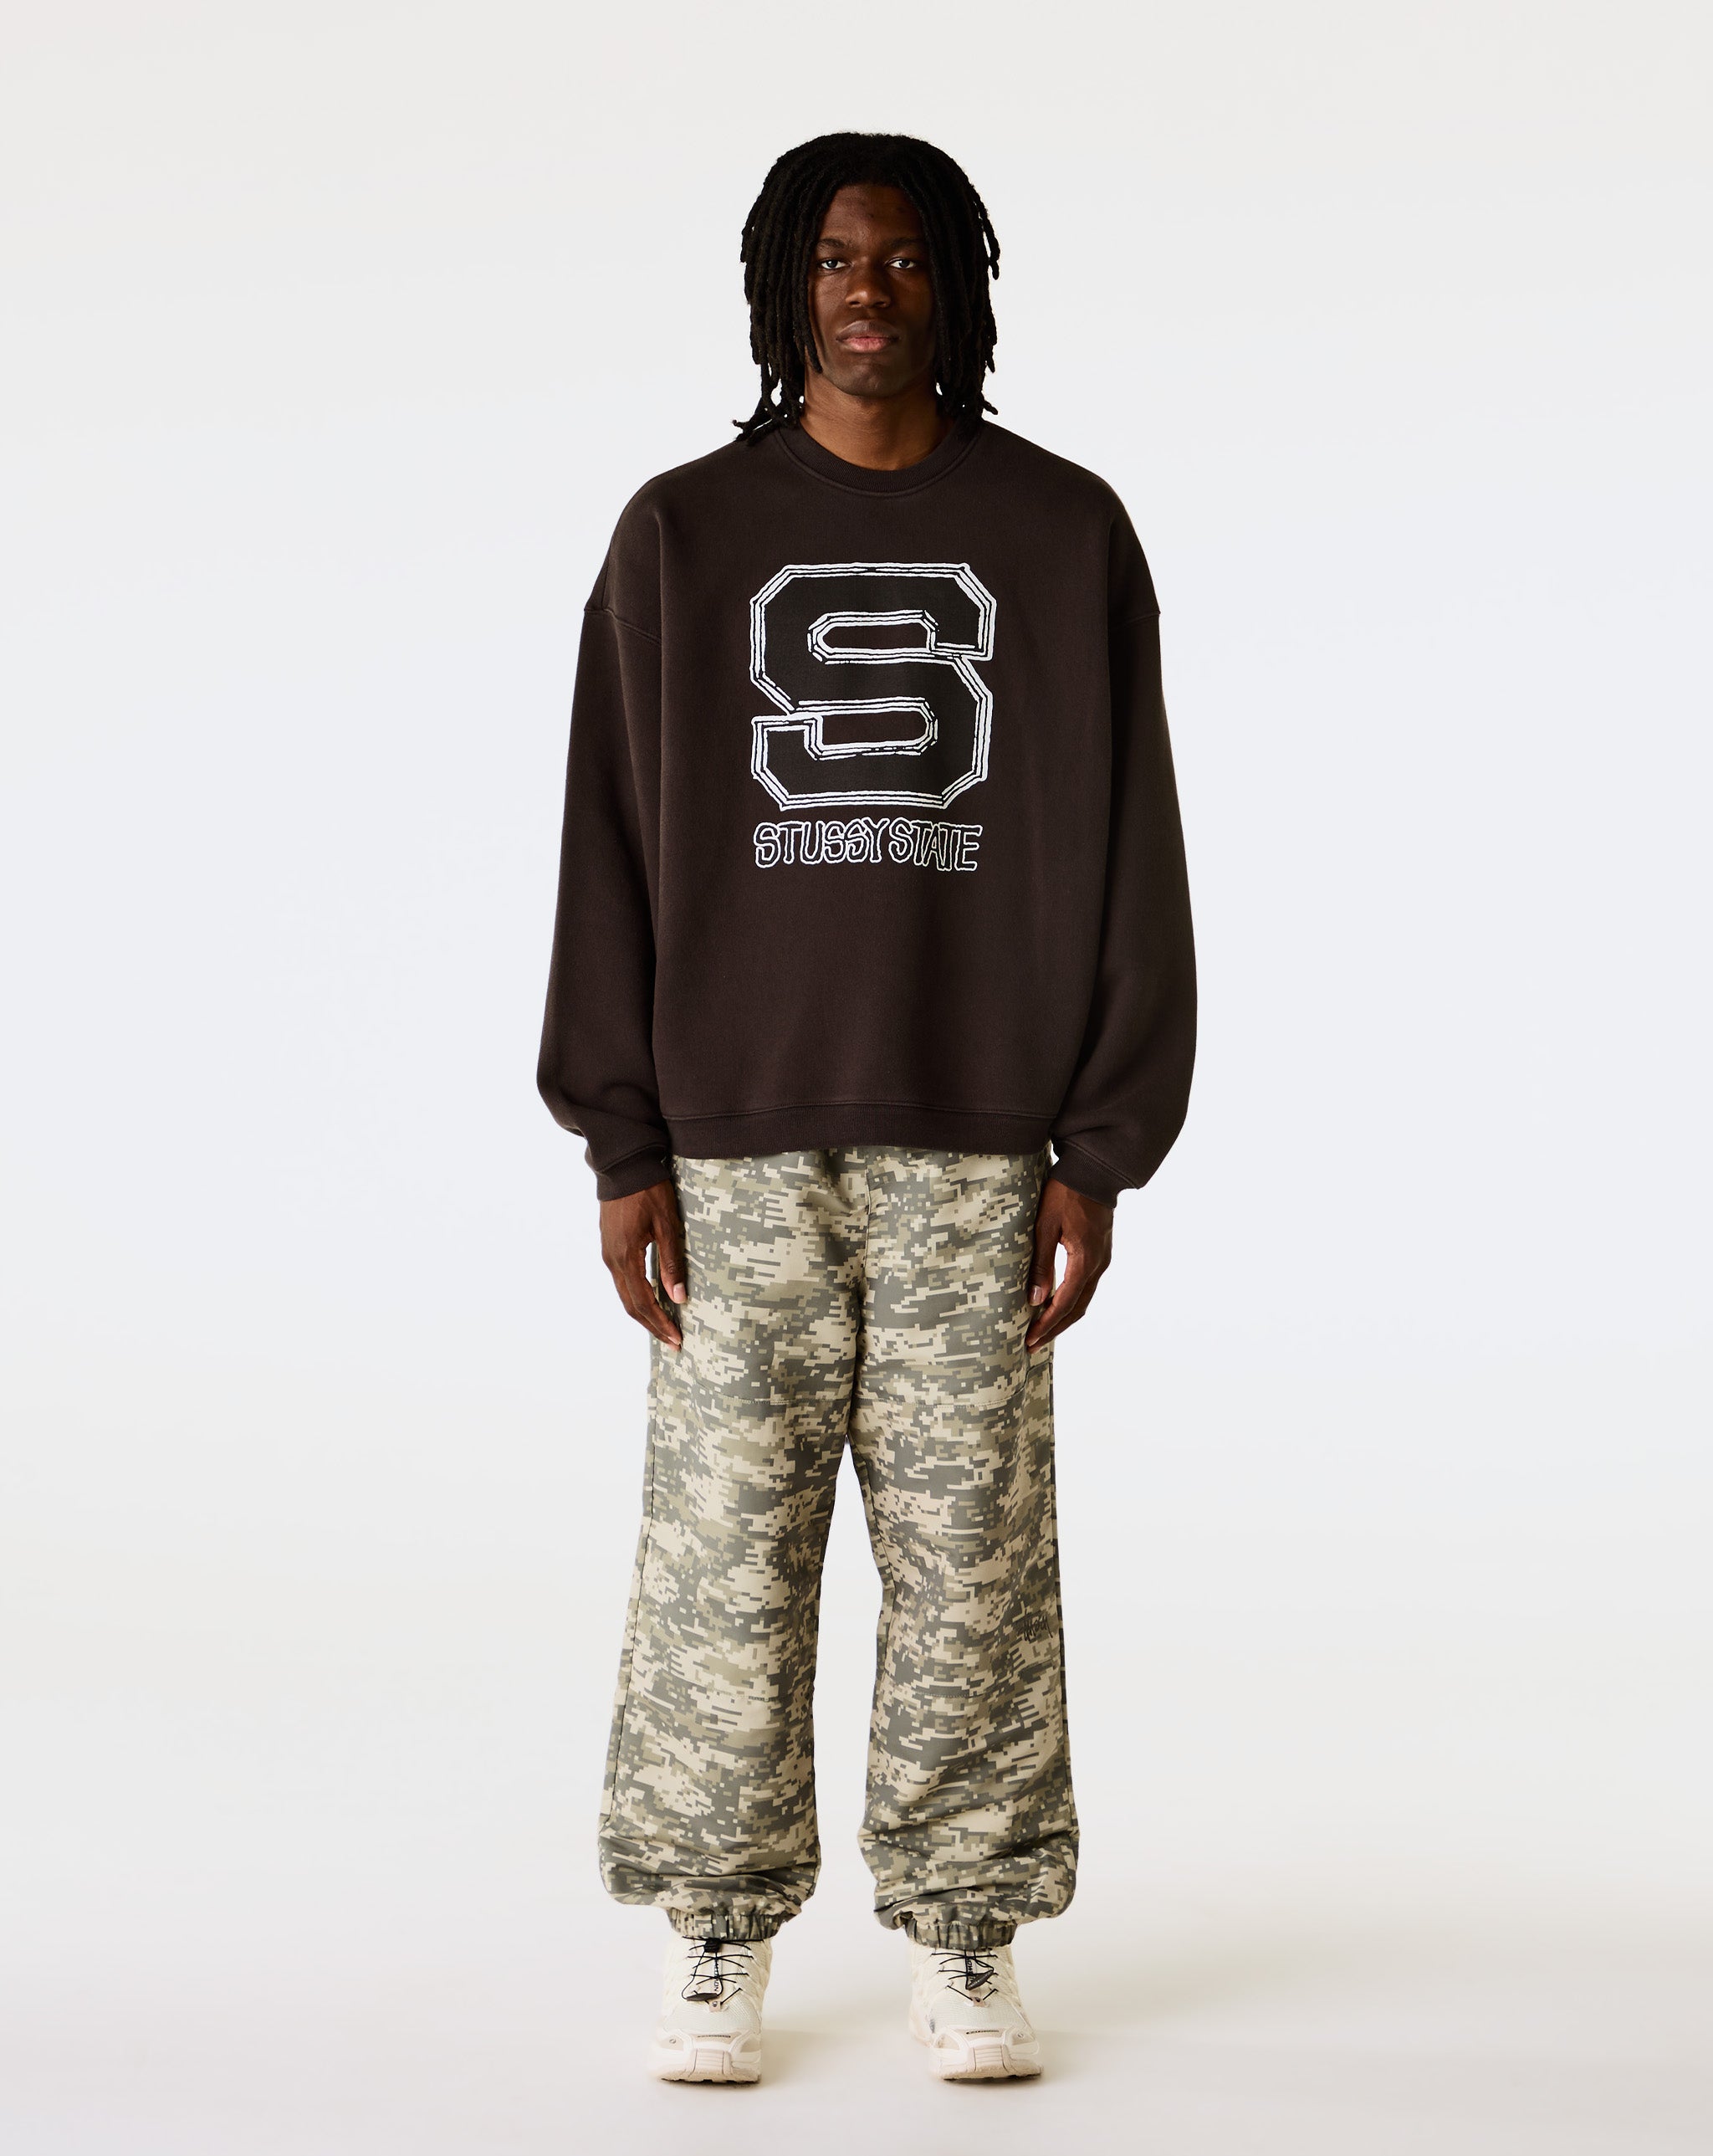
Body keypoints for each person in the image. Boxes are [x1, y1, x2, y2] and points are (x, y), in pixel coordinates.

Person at [538, 131, 1195, 2085]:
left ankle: (967, 1930)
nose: (868, 292)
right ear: (782, 288)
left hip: (982, 1138)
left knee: (972, 1561)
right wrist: (623, 1138)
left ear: (954, 288)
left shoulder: (1062, 532)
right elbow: (606, 842)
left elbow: (1133, 846)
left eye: (904, 259)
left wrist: (1101, 1144)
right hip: (732, 1141)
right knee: (722, 1558)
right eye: (834, 259)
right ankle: (714, 1927)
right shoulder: (678, 533)